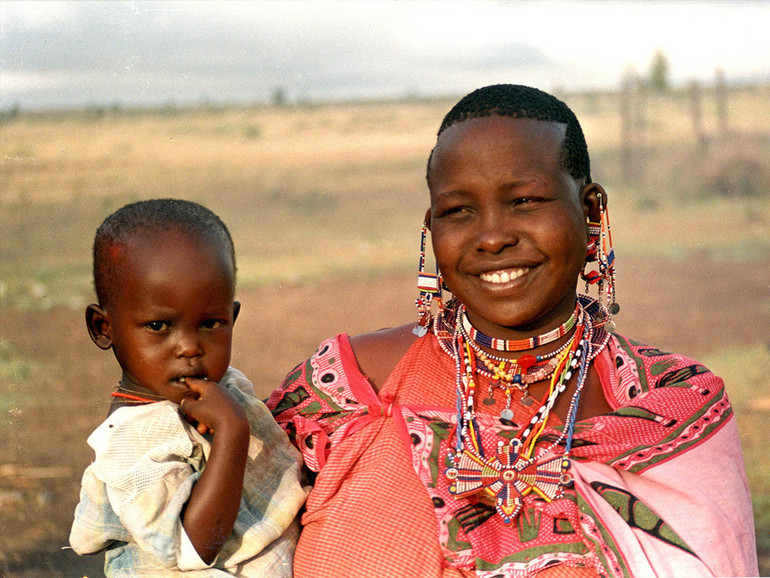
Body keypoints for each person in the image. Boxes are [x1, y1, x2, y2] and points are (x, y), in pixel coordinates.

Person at [266, 85, 758, 577]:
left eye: (524, 201)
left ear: (590, 213)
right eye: (458, 211)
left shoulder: (674, 404)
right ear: (431, 226)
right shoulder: (347, 392)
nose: (494, 236)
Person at [69, 199, 307, 576]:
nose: (190, 347)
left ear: (233, 317)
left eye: (211, 324)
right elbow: (194, 547)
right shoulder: (130, 444)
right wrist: (231, 430)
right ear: (104, 328)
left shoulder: (225, 386)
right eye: (160, 327)